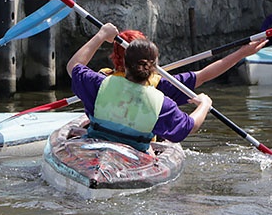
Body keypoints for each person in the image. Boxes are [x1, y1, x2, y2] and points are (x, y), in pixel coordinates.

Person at [68, 23, 213, 152]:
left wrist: (101, 35)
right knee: (149, 149)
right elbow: (190, 127)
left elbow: (73, 66)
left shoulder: (100, 84)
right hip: (135, 155)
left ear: (124, 65)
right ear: (154, 68)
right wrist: (204, 104)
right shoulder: (162, 104)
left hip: (95, 146)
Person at [103, 28, 267, 106]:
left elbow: (76, 67)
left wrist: (101, 35)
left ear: (116, 55)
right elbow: (204, 75)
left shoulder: (101, 80)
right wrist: (241, 53)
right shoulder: (161, 86)